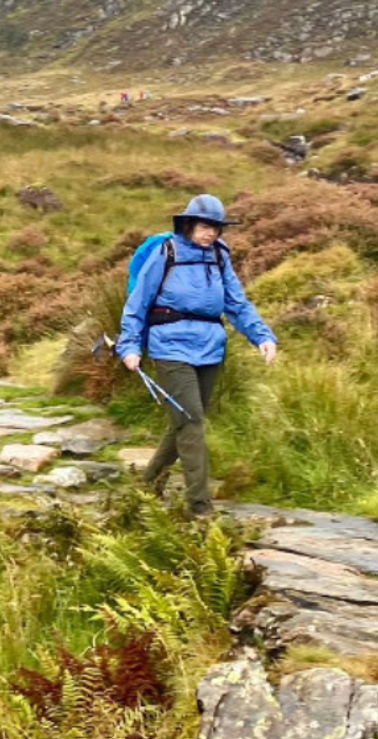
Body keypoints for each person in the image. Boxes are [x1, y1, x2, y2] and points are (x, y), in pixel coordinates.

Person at [117, 194, 278, 521]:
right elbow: (138, 303)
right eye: (206, 226)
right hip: (169, 347)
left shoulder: (220, 257)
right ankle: (200, 508)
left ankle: (146, 489)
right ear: (189, 224)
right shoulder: (167, 253)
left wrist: (262, 335)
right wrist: (129, 346)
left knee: (184, 422)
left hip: (210, 349)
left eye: (216, 228)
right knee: (191, 423)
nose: (211, 233)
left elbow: (237, 303)